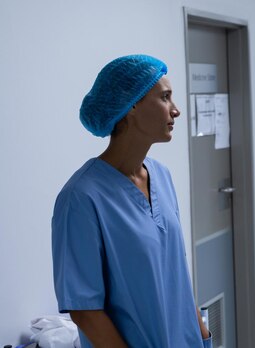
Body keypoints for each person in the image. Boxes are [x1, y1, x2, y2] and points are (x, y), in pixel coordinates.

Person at [51, 55, 211, 347]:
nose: (175, 111)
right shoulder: (81, 198)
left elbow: (175, 270)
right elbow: (85, 310)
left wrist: (203, 336)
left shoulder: (161, 176)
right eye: (165, 98)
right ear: (132, 105)